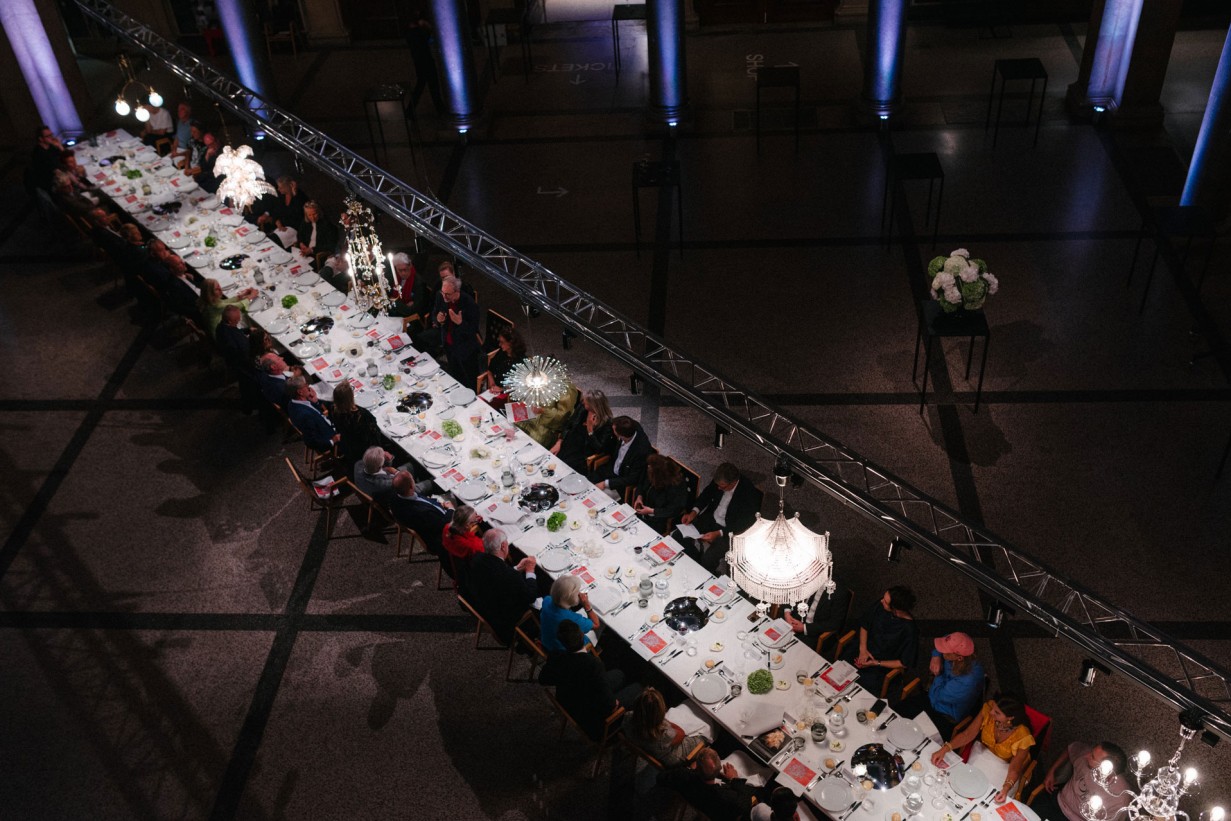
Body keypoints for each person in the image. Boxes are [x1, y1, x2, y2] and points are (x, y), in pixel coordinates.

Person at [539, 621, 639, 742]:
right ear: (582, 635)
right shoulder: (592, 664)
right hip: (591, 718)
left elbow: (543, 679)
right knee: (638, 688)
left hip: (569, 700)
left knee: (619, 674)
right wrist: (614, 704)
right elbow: (609, 706)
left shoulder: (558, 656)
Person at [931, 693, 1035, 804]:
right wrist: (945, 749)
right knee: (962, 785)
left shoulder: (1023, 737)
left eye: (997, 713)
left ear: (1010, 718)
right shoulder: (989, 708)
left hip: (1005, 769)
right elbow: (968, 734)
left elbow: (1015, 768)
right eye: (993, 709)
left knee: (985, 799)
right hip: (983, 753)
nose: (991, 713)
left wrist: (1006, 788)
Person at [678, 462, 763, 573]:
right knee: (678, 535)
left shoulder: (749, 493)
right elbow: (706, 495)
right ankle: (693, 561)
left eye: (722, 487)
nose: (718, 488)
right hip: (711, 518)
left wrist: (719, 533)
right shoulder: (719, 480)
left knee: (708, 560)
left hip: (730, 530)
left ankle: (702, 573)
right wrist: (694, 512)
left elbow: (745, 523)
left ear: (733, 483)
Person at [461, 528, 538, 644]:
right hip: (505, 619)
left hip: (485, 604)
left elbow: (498, 576)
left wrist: (516, 569)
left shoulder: (476, 559)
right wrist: (530, 571)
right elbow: (530, 596)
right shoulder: (509, 576)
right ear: (503, 546)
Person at [846, 586, 919, 694]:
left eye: (885, 602)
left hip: (881, 665)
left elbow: (903, 662)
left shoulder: (909, 630)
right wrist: (863, 649)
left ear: (895, 609)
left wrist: (875, 663)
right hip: (864, 648)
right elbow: (865, 624)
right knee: (841, 669)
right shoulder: (881, 605)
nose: (881, 601)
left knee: (860, 689)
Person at [1032, 741, 1130, 821]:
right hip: (1056, 801)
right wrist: (1051, 771)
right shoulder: (1084, 756)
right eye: (1091, 752)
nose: (1087, 755)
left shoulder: (1120, 798)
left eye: (1092, 757)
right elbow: (1071, 748)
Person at [660, 747, 765, 821]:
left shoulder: (682, 775)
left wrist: (689, 769)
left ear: (696, 765)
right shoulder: (726, 795)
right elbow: (744, 805)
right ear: (720, 769)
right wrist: (734, 779)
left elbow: (660, 777)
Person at [923, 632, 985, 738]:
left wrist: (938, 674)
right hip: (935, 695)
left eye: (945, 652)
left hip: (945, 714)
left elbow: (939, 695)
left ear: (959, 658)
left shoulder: (967, 681)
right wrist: (936, 656)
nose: (942, 652)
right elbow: (944, 639)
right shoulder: (961, 643)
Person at [626, 687, 706, 768]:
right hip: (672, 757)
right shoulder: (665, 734)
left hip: (645, 744)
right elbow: (681, 733)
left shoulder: (628, 716)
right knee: (703, 736)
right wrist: (663, 721)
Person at [387, 471, 452, 561]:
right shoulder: (422, 512)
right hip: (441, 536)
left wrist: (434, 502)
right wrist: (451, 509)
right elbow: (444, 525)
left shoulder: (394, 497)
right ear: (411, 487)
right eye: (413, 480)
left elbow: (419, 499)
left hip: (431, 518)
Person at [433, 275, 481, 389]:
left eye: (447, 294)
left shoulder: (469, 304)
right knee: (454, 376)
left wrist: (460, 323)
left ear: (456, 291)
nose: (444, 297)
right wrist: (438, 319)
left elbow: (473, 331)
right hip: (449, 344)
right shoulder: (442, 297)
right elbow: (435, 313)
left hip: (465, 350)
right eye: (443, 292)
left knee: (468, 381)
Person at [590, 416, 653, 499]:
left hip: (621, 482)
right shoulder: (631, 426)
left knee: (597, 498)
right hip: (610, 470)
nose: (612, 430)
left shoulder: (641, 452)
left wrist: (605, 483)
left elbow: (632, 478)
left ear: (622, 436)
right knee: (587, 482)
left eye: (614, 430)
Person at [554, 388, 614, 473]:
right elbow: (570, 424)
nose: (583, 403)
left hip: (582, 452)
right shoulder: (583, 408)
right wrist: (560, 441)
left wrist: (590, 429)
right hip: (569, 443)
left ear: (594, 406)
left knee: (562, 469)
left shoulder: (607, 423)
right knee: (552, 463)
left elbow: (599, 448)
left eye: (586, 403)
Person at [539, 574, 598, 655]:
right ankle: (598, 646)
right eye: (578, 592)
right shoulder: (571, 620)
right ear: (572, 598)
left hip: (547, 642)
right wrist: (586, 605)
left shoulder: (547, 600)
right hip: (564, 653)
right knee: (601, 624)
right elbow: (596, 624)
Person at [330, 382, 384, 469]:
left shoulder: (333, 410)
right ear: (350, 398)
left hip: (348, 445)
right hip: (365, 451)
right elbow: (374, 433)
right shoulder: (361, 415)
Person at [782, 579, 850, 646]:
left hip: (813, 633)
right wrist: (787, 613)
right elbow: (790, 594)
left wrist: (804, 628)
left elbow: (834, 623)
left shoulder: (840, 592)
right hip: (792, 620)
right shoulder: (805, 577)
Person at [634, 454, 689, 534]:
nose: (648, 469)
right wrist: (639, 496)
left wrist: (652, 511)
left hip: (659, 520)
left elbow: (673, 509)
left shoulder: (676, 487)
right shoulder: (651, 470)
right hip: (643, 512)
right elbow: (641, 483)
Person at [285, 376, 340, 455]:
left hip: (326, 424)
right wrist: (332, 441)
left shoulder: (292, 403)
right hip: (331, 437)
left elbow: (316, 414)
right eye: (306, 385)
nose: (308, 386)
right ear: (300, 392)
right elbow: (311, 441)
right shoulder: (304, 415)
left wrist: (315, 402)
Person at [404, 10, 445, 115]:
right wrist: (427, 26)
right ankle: (439, 108)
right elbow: (430, 36)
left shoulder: (410, 33)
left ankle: (410, 110)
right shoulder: (418, 33)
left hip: (419, 62)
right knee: (433, 85)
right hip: (426, 61)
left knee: (421, 84)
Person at [516, 383, 580, 448]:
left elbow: (563, 418)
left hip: (543, 429)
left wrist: (543, 411)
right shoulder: (532, 377)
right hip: (523, 418)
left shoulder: (566, 388)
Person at [477, 326, 526, 396]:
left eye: (502, 342)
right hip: (496, 390)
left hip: (511, 394)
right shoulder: (502, 353)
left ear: (511, 343)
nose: (499, 344)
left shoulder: (521, 361)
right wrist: (492, 385)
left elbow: (519, 385)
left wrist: (502, 389)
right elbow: (490, 370)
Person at [385, 252, 430, 320]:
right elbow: (387, 295)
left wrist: (394, 301)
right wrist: (403, 305)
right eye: (400, 270)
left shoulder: (419, 282)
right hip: (395, 313)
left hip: (412, 319)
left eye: (405, 269)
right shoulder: (393, 277)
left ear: (410, 265)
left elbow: (412, 310)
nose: (403, 273)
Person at [214, 304, 250, 371]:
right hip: (242, 364)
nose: (239, 321)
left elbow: (235, 331)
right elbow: (245, 352)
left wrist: (248, 330)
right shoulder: (233, 338)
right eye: (237, 320)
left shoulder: (220, 326)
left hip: (232, 356)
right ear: (230, 321)